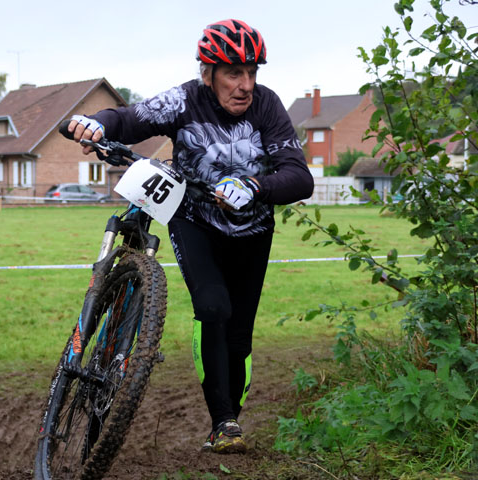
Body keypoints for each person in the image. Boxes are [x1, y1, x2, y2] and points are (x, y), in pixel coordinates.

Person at [66, 19, 314, 454]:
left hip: (253, 228)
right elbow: (129, 118)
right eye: (234, 73)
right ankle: (223, 422)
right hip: (192, 218)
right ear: (208, 73)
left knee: (239, 332)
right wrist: (96, 122)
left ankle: (228, 418)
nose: (245, 85)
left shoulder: (268, 107)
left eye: (252, 72)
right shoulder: (184, 99)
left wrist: (255, 186)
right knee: (213, 306)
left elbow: (299, 176)